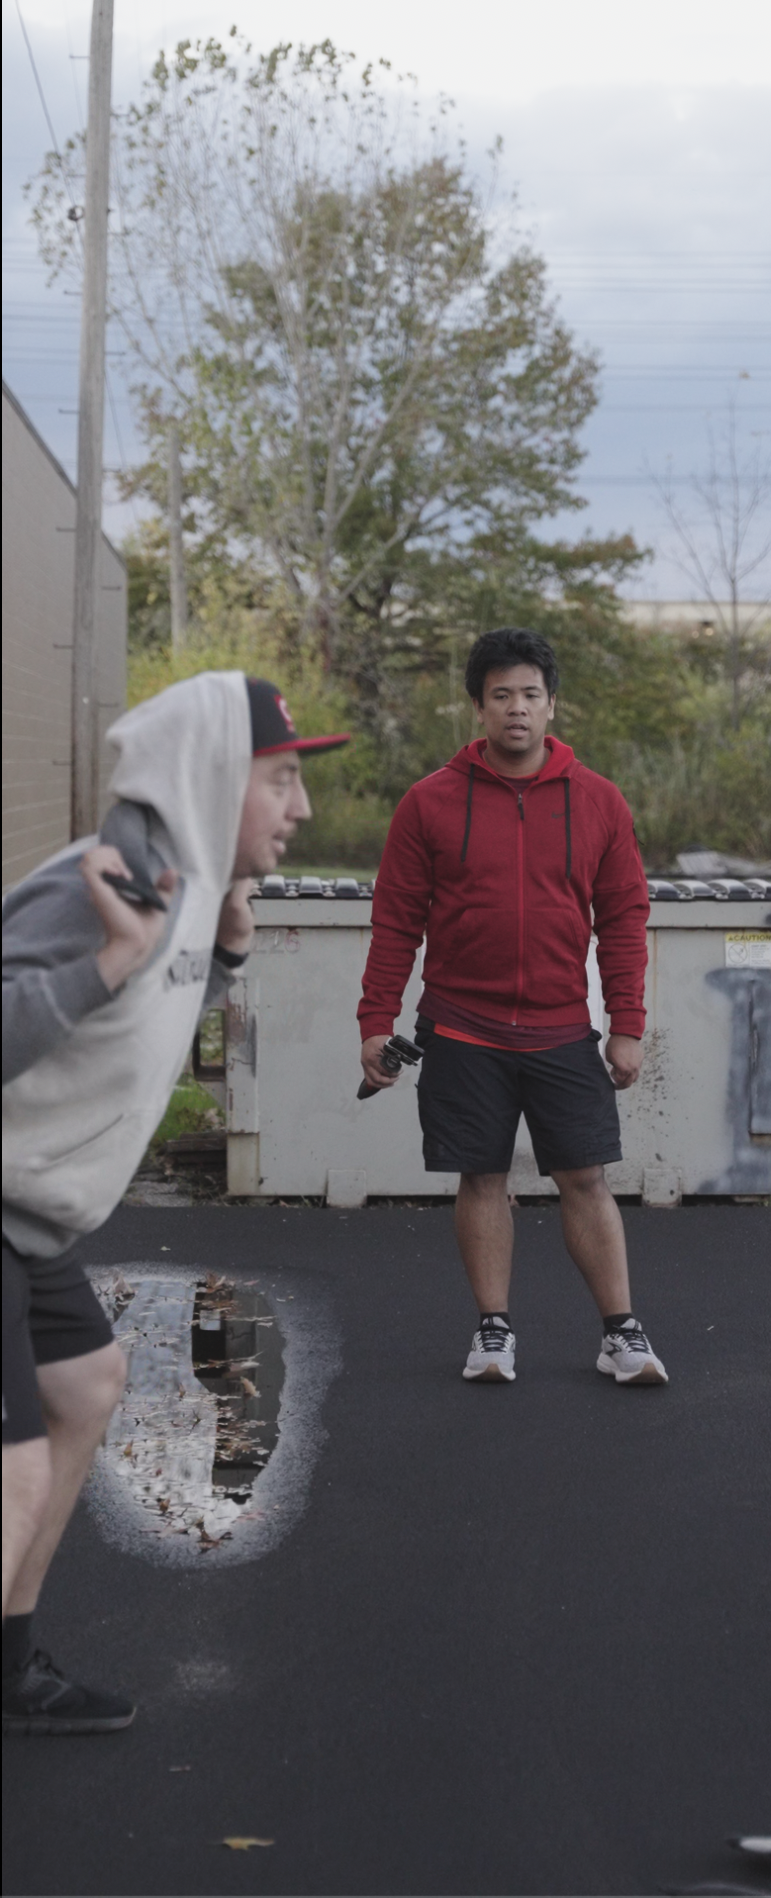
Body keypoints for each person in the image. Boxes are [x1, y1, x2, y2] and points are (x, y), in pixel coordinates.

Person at [2, 670, 347, 1735]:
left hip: (30, 1214)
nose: (301, 808)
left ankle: (8, 1667)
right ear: (208, 776)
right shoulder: (100, 886)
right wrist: (108, 955)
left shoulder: (187, 889)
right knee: (9, 1481)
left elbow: (142, 1016)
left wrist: (227, 951)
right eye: (280, 780)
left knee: (88, 1384)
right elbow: (103, 982)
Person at [359, 626, 668, 1387]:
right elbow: (396, 918)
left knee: (586, 1178)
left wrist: (627, 1026)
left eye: (531, 694)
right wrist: (376, 1020)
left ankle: (619, 1334)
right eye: (502, 695)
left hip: (564, 1028)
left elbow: (625, 918)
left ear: (552, 704)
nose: (517, 709)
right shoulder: (429, 802)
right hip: (464, 1027)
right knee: (482, 1178)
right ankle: (493, 1333)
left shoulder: (598, 801)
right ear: (478, 707)